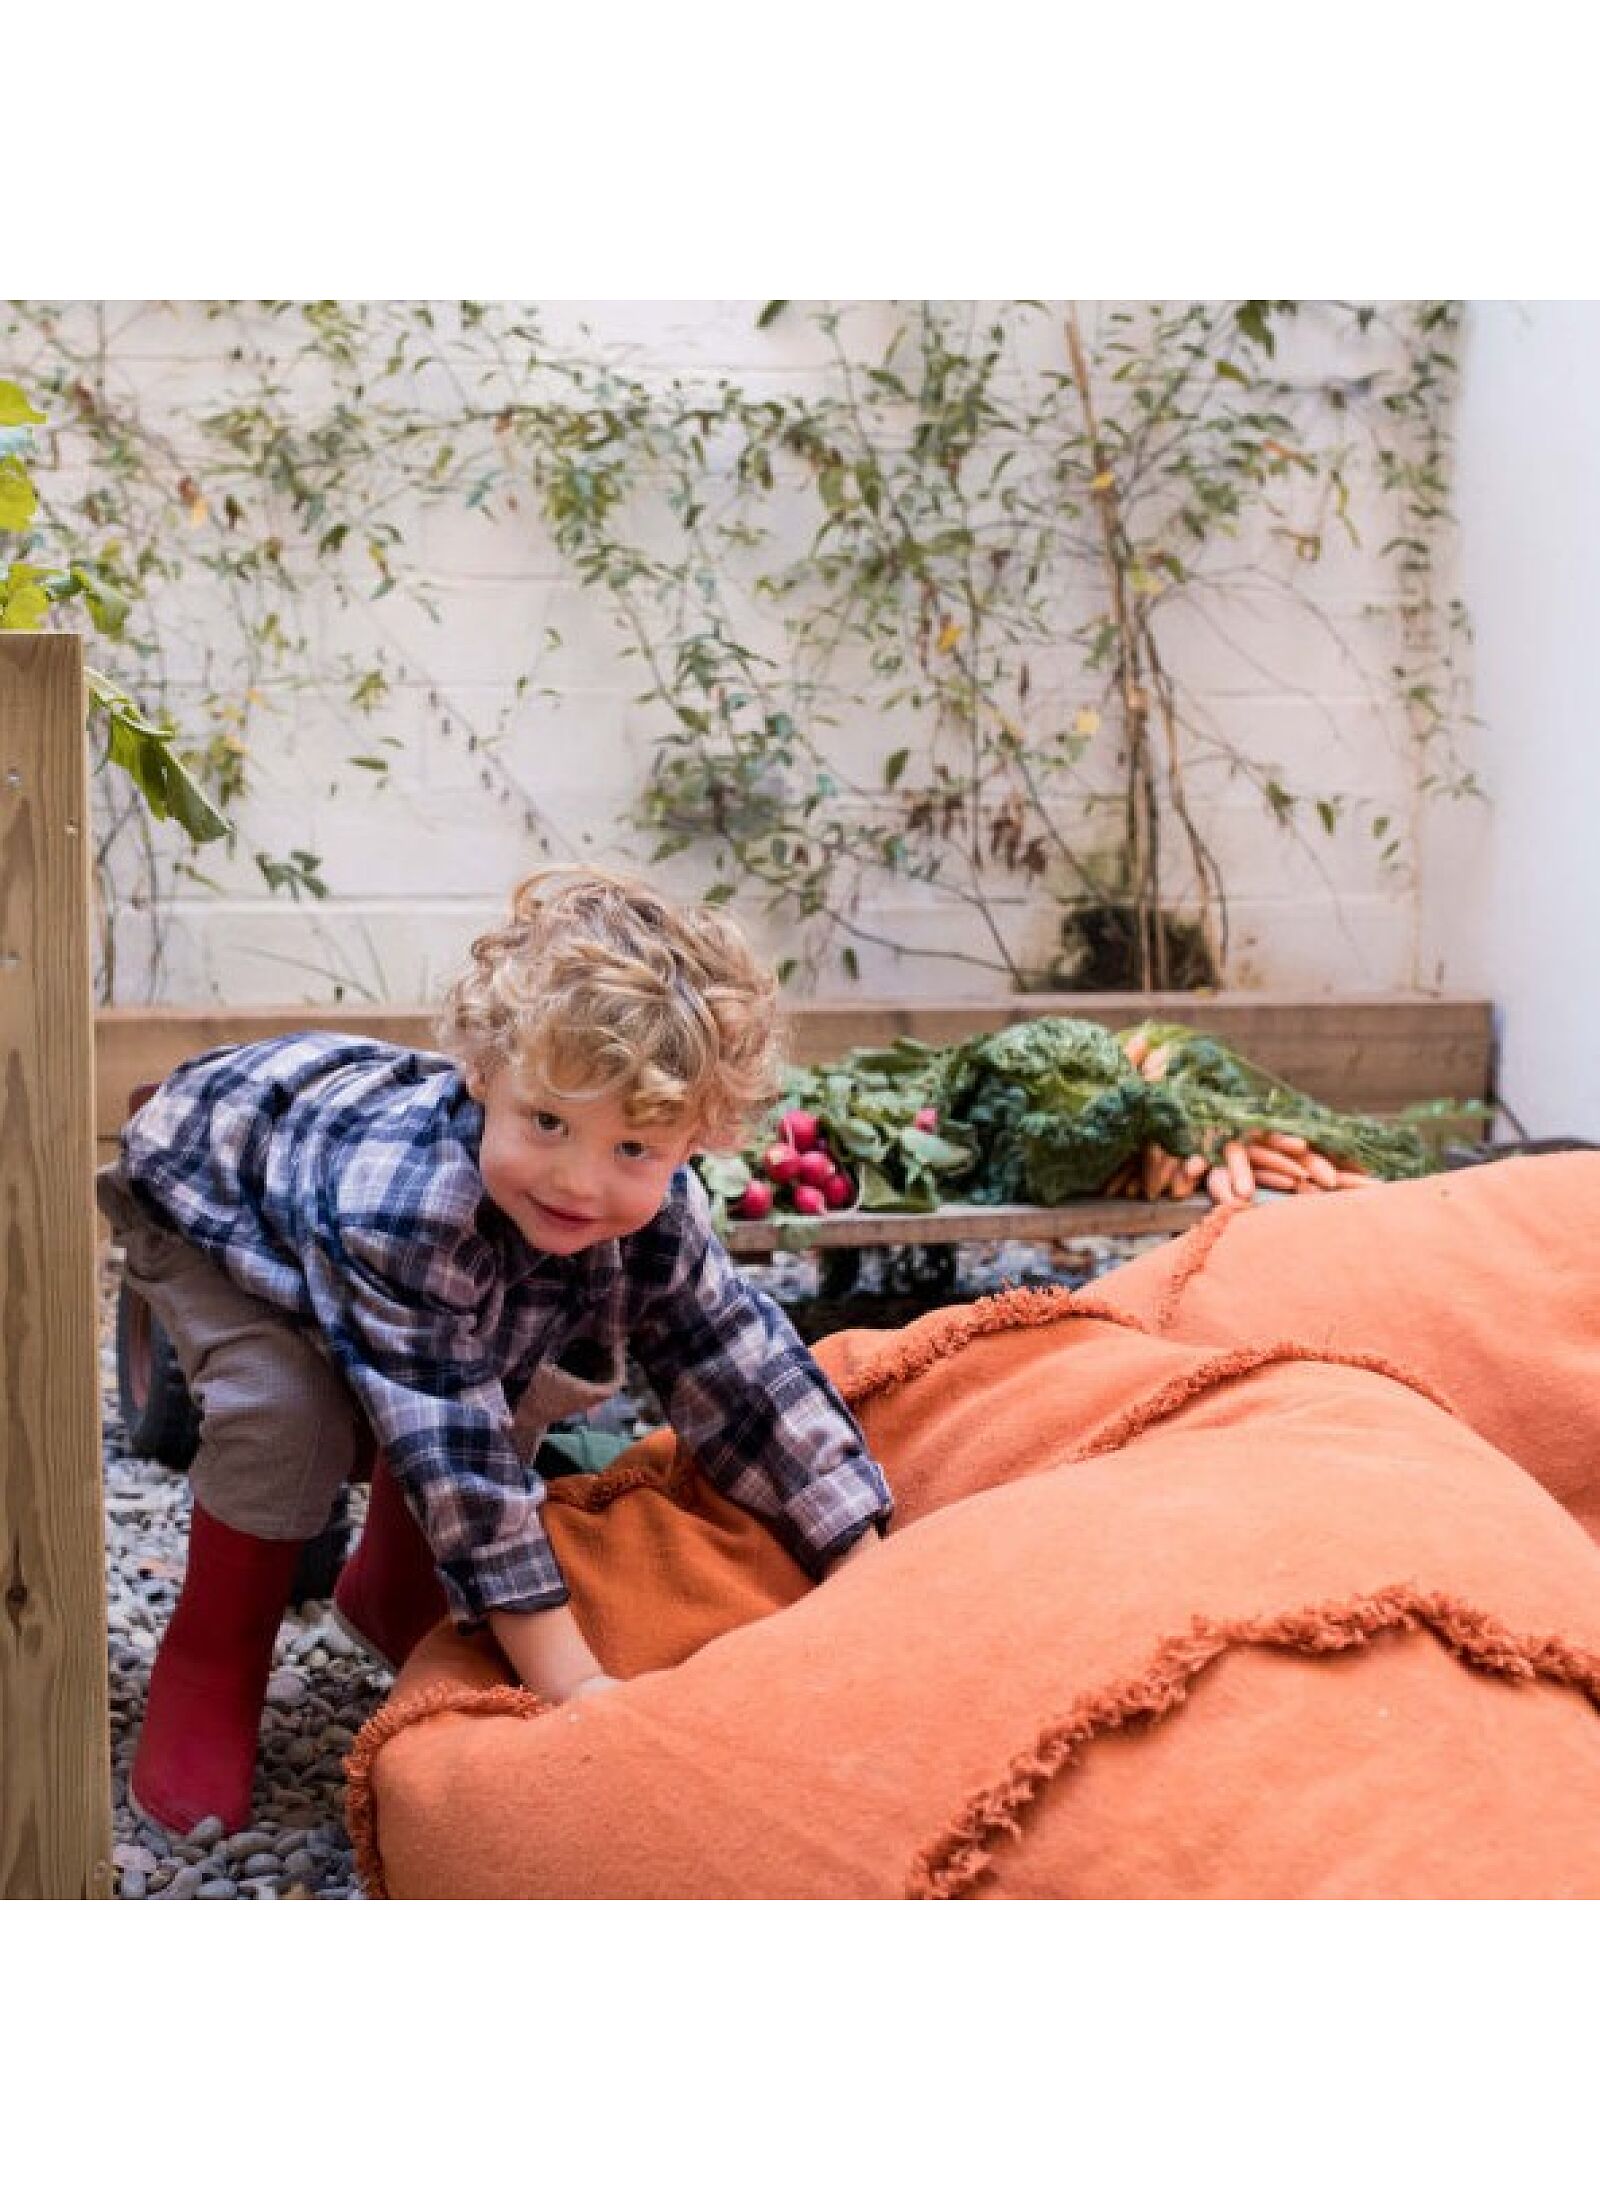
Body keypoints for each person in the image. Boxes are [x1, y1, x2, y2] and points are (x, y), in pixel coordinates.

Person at [99, 867, 893, 1839]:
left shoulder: (652, 1215)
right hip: (220, 1202)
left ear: (702, 1137)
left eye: (634, 1149)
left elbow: (743, 1371)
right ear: (485, 1073)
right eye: (548, 1120)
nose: (577, 1178)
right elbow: (457, 1453)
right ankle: (214, 1654)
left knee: (518, 1346)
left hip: (380, 1234)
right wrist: (577, 1685)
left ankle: (392, 1588)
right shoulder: (411, 1207)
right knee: (288, 1410)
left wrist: (867, 1565)